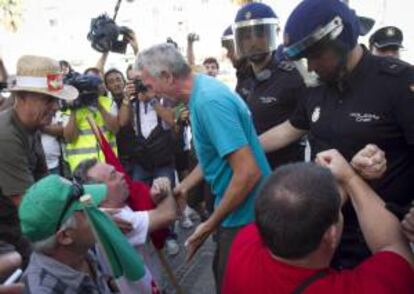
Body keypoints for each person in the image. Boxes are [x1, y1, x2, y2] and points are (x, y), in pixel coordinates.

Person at [260, 0, 414, 269]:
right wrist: (246, 147)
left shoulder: (399, 83)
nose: (312, 65)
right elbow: (291, 128)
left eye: (316, 55)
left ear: (342, 40)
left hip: (382, 238)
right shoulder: (316, 87)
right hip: (324, 234)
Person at [136, 43, 271, 291]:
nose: (149, 92)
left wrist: (208, 225)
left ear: (167, 76)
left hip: (246, 216)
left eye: (148, 84)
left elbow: (248, 172)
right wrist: (184, 186)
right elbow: (217, 157)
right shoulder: (199, 95)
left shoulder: (209, 101)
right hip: (238, 213)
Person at [223, 150, 414, 293]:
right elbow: (394, 246)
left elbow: (307, 205)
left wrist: (352, 173)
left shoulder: (245, 242)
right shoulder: (358, 288)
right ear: (330, 234)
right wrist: (350, 178)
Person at [0, 55, 78, 267]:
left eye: (56, 100)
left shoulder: (32, 126)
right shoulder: (6, 136)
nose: (55, 107)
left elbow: (43, 179)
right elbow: (32, 208)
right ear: (22, 97)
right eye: (48, 99)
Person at [73, 159, 177, 290]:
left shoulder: (98, 215)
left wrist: (153, 199)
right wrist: (165, 187)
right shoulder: (118, 219)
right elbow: (167, 214)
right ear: (99, 192)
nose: (122, 174)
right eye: (113, 175)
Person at [233, 2, 307, 169]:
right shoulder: (244, 78)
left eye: (260, 34)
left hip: (283, 174)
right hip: (248, 172)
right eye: (246, 36)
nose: (253, 42)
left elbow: (303, 124)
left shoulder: (292, 77)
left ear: (273, 34)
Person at [18, 175, 115, 293]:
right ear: (65, 236)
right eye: (86, 210)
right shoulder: (44, 290)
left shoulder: (79, 251)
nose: (100, 213)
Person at [63, 74, 120, 172]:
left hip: (107, 164)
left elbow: (115, 129)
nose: (86, 94)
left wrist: (99, 106)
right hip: (80, 166)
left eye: (90, 90)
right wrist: (73, 111)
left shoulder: (108, 103)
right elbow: (69, 139)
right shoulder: (71, 107)